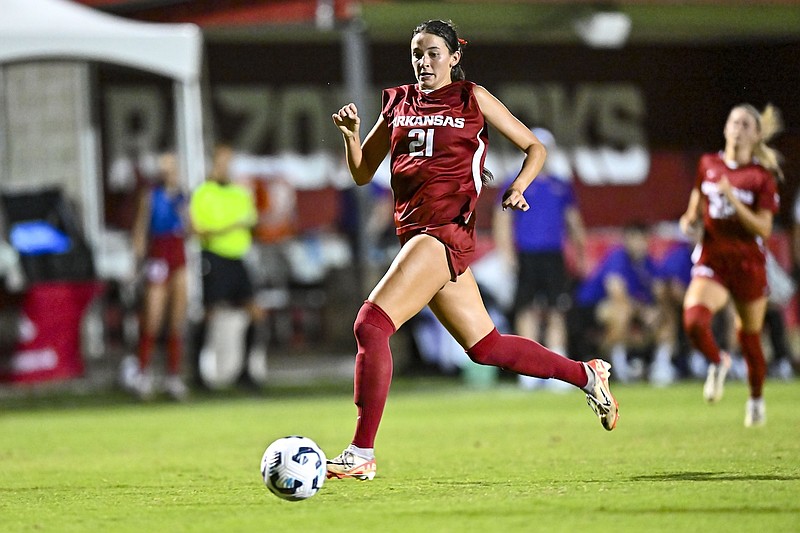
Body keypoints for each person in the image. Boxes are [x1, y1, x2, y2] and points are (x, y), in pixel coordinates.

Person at [326, 19, 618, 482]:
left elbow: (533, 146)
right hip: (418, 235)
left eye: (433, 53)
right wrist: (350, 133)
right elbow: (363, 173)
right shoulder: (397, 102)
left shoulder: (471, 98)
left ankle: (362, 450)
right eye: (417, 52)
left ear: (454, 58)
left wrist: (519, 185)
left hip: (442, 233)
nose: (424, 61)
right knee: (486, 347)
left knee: (371, 324)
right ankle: (587, 374)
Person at [679, 103, 784, 427]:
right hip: (714, 259)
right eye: (733, 121)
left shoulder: (760, 177)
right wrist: (688, 221)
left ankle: (755, 399)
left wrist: (733, 199)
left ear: (756, 134)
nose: (737, 128)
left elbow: (764, 228)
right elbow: (695, 206)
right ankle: (717, 359)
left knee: (750, 339)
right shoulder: (708, 164)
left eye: (745, 124)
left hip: (748, 264)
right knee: (694, 321)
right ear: (725, 128)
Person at [493, 127, 587, 390]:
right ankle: (528, 368)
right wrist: (507, 254)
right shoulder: (515, 182)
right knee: (527, 309)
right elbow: (503, 219)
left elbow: (573, 221)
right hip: (527, 254)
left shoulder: (561, 185)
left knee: (557, 308)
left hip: (553, 255)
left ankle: (558, 368)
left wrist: (581, 252)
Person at [189, 144, 266, 390]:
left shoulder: (239, 193)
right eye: (222, 163)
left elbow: (251, 220)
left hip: (237, 259)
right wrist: (231, 226)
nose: (226, 168)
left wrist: (229, 226)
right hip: (214, 257)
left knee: (255, 312)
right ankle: (197, 373)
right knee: (209, 313)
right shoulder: (203, 193)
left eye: (229, 163)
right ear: (213, 164)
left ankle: (244, 370)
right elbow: (199, 229)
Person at [575, 223, 675, 384]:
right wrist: (644, 312)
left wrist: (657, 308)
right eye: (634, 239)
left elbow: (660, 292)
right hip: (590, 308)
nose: (638, 243)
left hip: (634, 311)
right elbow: (617, 293)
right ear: (626, 240)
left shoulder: (648, 263)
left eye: (642, 239)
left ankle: (661, 364)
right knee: (622, 311)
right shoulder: (617, 257)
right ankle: (618, 366)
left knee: (666, 314)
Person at [129, 151, 189, 401]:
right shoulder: (150, 196)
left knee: (176, 317)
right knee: (153, 316)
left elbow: (192, 229)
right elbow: (141, 230)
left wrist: (183, 211)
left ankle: (172, 376)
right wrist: (137, 264)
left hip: (177, 253)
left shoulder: (182, 196)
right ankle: (143, 373)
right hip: (159, 253)